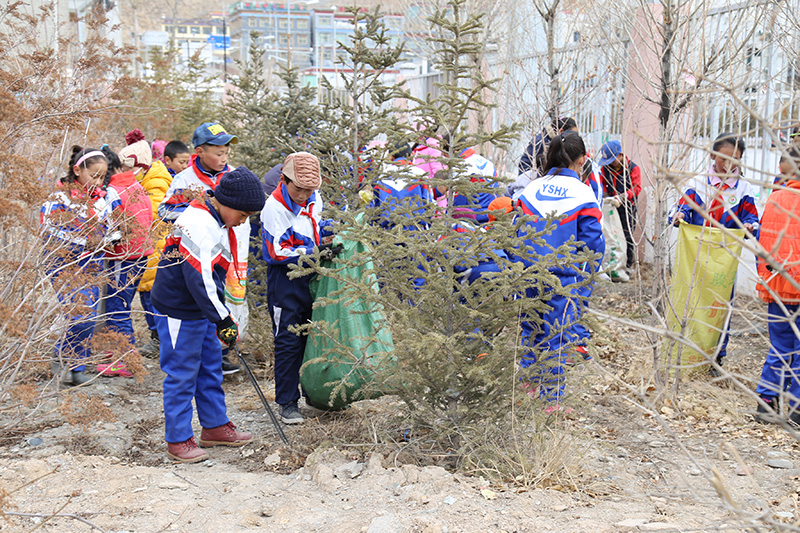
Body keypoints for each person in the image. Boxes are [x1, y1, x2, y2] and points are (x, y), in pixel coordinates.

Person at [150, 167, 265, 463]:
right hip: (178, 309)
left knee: (210, 367)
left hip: (201, 308)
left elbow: (213, 277)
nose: (243, 221)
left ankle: (214, 426)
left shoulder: (217, 220)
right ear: (226, 203)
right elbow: (199, 279)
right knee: (181, 373)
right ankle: (178, 440)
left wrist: (220, 315)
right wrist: (223, 319)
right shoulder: (199, 223)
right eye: (242, 214)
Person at [515, 131, 604, 409]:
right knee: (557, 335)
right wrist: (586, 276)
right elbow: (592, 243)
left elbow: (516, 232)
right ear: (581, 160)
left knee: (530, 329)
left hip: (528, 272)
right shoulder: (583, 193)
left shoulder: (532, 189)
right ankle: (552, 399)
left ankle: (529, 384)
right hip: (563, 277)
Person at [670, 132, 759, 373]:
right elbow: (681, 209)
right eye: (723, 159)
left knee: (720, 307)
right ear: (711, 155)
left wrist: (750, 225)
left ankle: (716, 357)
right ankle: (684, 350)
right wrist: (678, 216)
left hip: (723, 262)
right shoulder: (696, 184)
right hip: (695, 258)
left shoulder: (744, 189)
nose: (729, 166)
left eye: (736, 160)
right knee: (691, 301)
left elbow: (752, 218)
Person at [160, 123, 245, 375]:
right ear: (199, 151)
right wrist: (198, 210)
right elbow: (164, 211)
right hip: (197, 251)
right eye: (218, 154)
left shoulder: (233, 176)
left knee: (228, 296)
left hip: (230, 253)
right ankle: (202, 356)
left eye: (226, 153)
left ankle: (220, 354)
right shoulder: (184, 179)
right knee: (205, 292)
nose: (223, 159)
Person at [41, 147, 120, 386]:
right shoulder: (60, 197)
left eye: (102, 176)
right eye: (93, 175)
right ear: (77, 170)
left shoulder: (103, 198)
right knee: (78, 314)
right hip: (63, 263)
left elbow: (114, 223)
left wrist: (112, 236)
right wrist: (85, 240)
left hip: (92, 264)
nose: (98, 181)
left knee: (89, 316)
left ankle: (77, 365)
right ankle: (63, 356)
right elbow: (50, 228)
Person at [261, 152, 328, 425]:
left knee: (314, 336)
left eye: (309, 189)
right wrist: (314, 251)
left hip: (313, 276)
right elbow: (274, 251)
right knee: (288, 340)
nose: (303, 194)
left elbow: (318, 227)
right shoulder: (274, 208)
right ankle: (287, 402)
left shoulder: (315, 199)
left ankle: (314, 392)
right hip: (285, 281)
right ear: (284, 180)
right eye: (298, 188)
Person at [96, 143, 154, 377]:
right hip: (140, 254)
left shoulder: (113, 192)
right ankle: (117, 352)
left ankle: (125, 360)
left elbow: (114, 229)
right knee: (122, 304)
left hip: (123, 255)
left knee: (116, 306)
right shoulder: (135, 185)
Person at [753, 146, 800, 426]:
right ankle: (796, 409)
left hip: (778, 287)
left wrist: (766, 280)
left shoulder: (775, 199)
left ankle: (766, 402)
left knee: (780, 346)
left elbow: (764, 244)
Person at [119, 130, 174, 359]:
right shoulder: (146, 178)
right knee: (146, 293)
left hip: (155, 245)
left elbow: (149, 213)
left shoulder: (156, 182)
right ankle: (157, 336)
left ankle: (160, 338)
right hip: (145, 244)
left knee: (152, 295)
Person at [597, 140, 641, 273]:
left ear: (620, 155)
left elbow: (636, 188)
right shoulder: (606, 169)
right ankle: (612, 265)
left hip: (627, 208)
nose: (611, 163)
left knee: (627, 236)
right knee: (611, 235)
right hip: (611, 207)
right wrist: (605, 196)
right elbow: (603, 183)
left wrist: (622, 197)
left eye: (613, 159)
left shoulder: (633, 168)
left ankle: (626, 267)